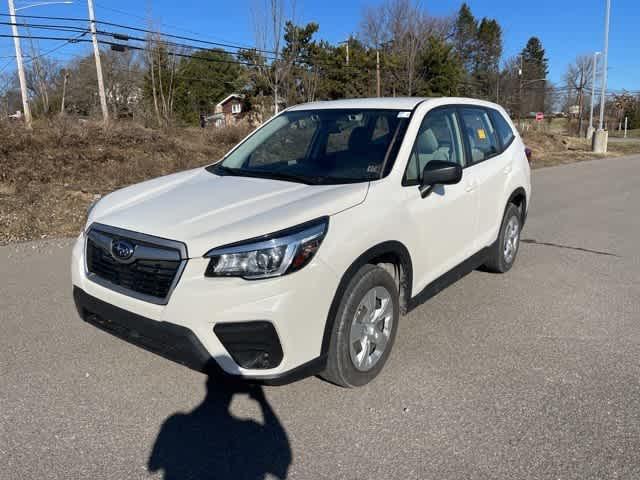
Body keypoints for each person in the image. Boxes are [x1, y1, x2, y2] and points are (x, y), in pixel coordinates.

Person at [148, 375, 291, 480]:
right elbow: (282, 459)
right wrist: (263, 402)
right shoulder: (250, 430)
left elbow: (153, 465)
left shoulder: (175, 423)